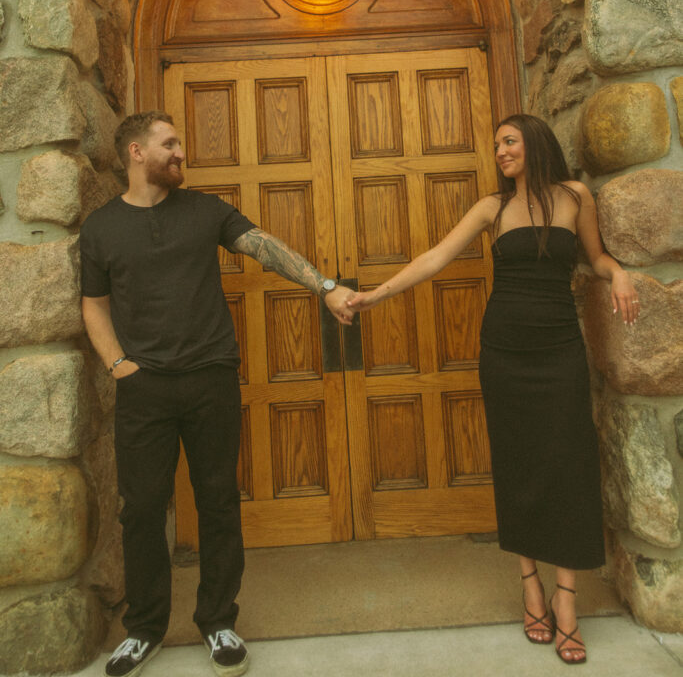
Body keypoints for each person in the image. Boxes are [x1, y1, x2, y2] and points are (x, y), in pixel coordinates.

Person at [346, 113, 639, 665]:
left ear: (534, 141)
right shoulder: (492, 207)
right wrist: (372, 296)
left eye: (509, 141)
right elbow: (435, 257)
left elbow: (595, 257)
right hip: (505, 350)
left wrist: (618, 272)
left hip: (559, 350)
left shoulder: (576, 196)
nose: (501, 151)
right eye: (497, 145)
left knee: (568, 462)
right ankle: (530, 583)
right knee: (519, 462)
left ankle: (567, 599)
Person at [80, 111, 355, 677]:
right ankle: (145, 629)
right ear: (136, 152)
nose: (181, 153)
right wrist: (118, 364)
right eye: (169, 144)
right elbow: (94, 303)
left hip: (210, 376)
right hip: (144, 386)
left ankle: (218, 622)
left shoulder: (206, 211)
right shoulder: (102, 227)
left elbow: (261, 245)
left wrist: (324, 286)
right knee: (142, 511)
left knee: (218, 502)